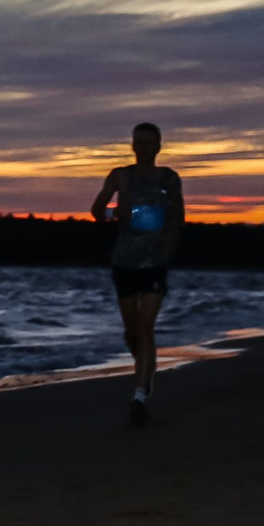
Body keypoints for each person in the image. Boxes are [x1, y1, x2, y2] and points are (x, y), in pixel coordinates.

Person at [90, 123, 185, 426]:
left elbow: (178, 218)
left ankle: (140, 394)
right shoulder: (120, 175)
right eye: (138, 143)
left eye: (149, 143)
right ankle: (146, 365)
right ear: (132, 145)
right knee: (132, 333)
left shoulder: (169, 178)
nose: (144, 149)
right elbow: (96, 210)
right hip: (125, 262)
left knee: (146, 328)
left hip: (155, 263)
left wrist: (168, 247)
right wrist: (114, 213)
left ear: (159, 146)